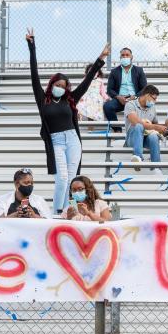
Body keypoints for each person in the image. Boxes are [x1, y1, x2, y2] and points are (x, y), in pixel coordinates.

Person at [26, 28, 111, 214]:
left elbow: (87, 80)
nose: (60, 88)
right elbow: (34, 74)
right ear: (52, 85)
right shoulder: (43, 99)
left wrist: (100, 58)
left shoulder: (70, 99)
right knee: (62, 178)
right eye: (57, 85)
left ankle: (69, 211)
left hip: (73, 139)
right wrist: (32, 47)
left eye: (63, 86)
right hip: (56, 141)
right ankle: (58, 211)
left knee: (72, 179)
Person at [124, 85, 167, 174]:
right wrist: (155, 127)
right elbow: (135, 121)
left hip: (146, 139)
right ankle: (138, 157)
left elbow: (155, 124)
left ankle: (156, 168)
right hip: (132, 138)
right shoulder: (130, 104)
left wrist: (162, 129)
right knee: (138, 126)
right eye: (154, 98)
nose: (155, 101)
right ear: (147, 95)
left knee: (154, 136)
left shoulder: (152, 108)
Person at [103, 47, 148, 127]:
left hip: (135, 99)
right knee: (107, 106)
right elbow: (109, 90)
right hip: (120, 100)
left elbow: (144, 88)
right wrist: (118, 97)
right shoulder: (114, 72)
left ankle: (139, 128)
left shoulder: (139, 70)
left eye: (127, 55)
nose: (125, 57)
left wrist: (135, 97)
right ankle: (117, 130)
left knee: (147, 106)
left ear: (131, 57)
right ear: (120, 57)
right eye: (123, 55)